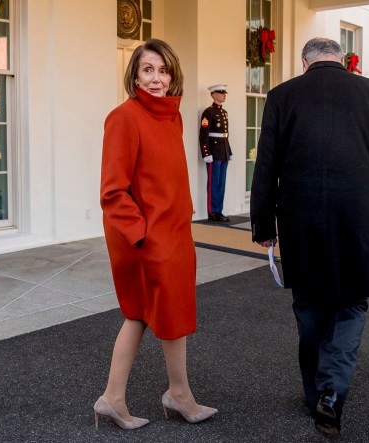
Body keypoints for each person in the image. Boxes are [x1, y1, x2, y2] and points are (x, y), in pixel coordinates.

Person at [250, 37, 369, 438]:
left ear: (305, 62)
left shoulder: (282, 95)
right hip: (354, 216)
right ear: (342, 60)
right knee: (351, 305)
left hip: (299, 218)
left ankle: (314, 393)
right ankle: (332, 392)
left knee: (309, 306)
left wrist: (263, 226)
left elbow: (266, 166)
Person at [95, 38, 218, 431]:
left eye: (163, 70)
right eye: (147, 70)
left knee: (164, 313)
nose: (156, 78)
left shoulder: (173, 116)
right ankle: (162, 395)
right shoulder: (124, 117)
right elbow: (112, 192)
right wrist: (144, 237)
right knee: (141, 313)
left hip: (175, 231)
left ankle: (135, 397)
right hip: (148, 239)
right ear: (134, 74)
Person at [199, 84, 233, 222]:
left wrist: (229, 151)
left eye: (224, 92)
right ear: (213, 94)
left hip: (223, 152)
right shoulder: (208, 112)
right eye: (221, 92)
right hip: (213, 153)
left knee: (222, 183)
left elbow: (225, 135)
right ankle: (213, 211)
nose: (224, 95)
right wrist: (206, 153)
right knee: (213, 183)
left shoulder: (224, 113)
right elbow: (203, 134)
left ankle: (219, 210)